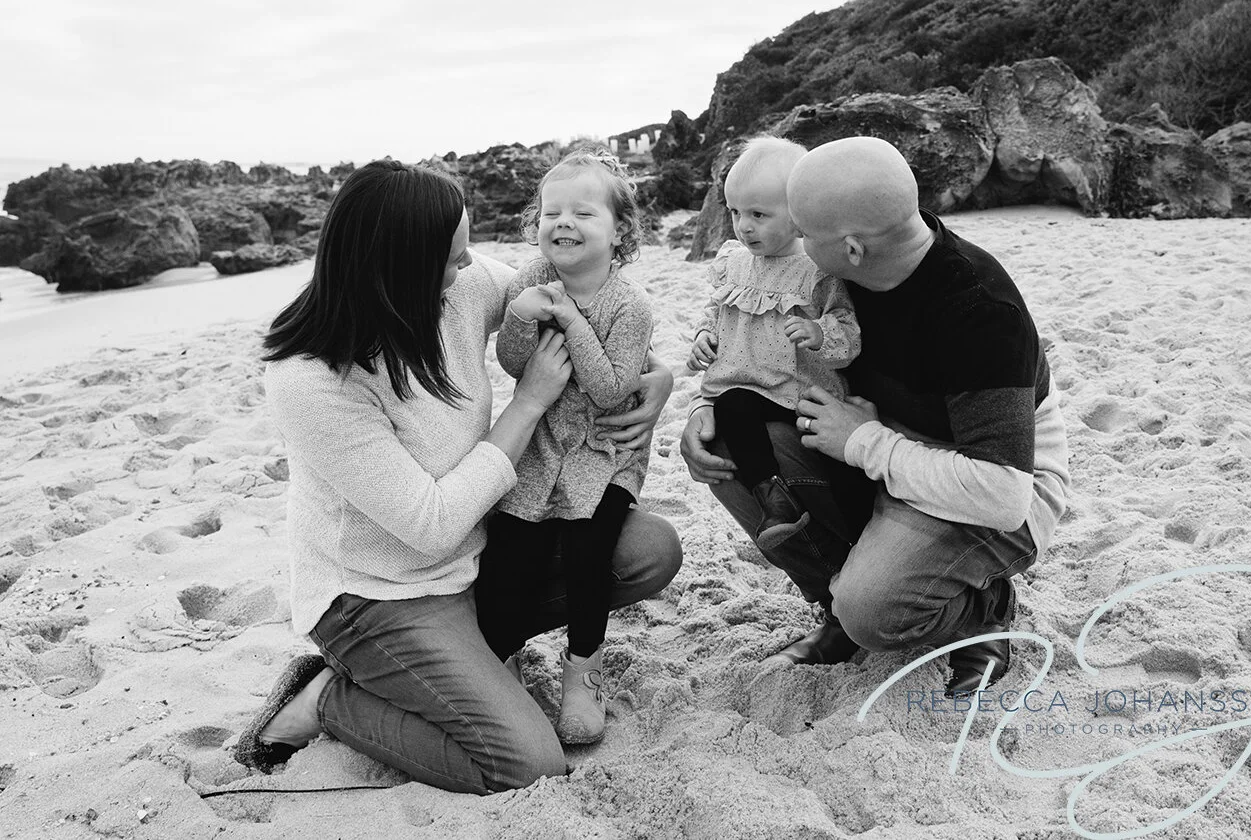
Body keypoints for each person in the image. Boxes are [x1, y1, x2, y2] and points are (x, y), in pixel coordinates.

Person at [233, 159, 681, 793]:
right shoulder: (312, 378)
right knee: (527, 764)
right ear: (401, 268)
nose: (470, 268)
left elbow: (584, 310)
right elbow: (430, 526)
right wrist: (527, 404)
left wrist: (655, 378)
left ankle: (479, 654)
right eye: (454, 257)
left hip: (481, 554)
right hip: (385, 590)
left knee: (647, 551)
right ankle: (325, 699)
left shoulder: (458, 287)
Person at [681, 136, 1069, 696]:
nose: (797, 246)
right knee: (728, 444)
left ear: (853, 248)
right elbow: (754, 361)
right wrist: (702, 407)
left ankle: (984, 607)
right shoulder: (854, 271)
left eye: (806, 234)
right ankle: (832, 604)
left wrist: (865, 439)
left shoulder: (980, 313)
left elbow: (1003, 495)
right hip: (883, 452)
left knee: (874, 612)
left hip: (992, 490)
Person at [474, 148, 653, 746]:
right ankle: (505, 660)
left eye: (583, 212)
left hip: (602, 453)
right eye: (552, 212)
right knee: (510, 554)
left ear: (619, 230)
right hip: (540, 445)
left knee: (587, 553)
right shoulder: (530, 281)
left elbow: (608, 391)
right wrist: (523, 320)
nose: (563, 223)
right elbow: (513, 364)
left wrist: (570, 320)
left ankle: (582, 671)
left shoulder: (631, 305)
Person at [685, 137, 860, 547]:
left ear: (798, 214)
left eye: (759, 214)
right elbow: (715, 309)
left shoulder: (816, 269)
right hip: (751, 385)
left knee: (838, 465)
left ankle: (855, 533)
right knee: (732, 406)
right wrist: (704, 336)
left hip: (801, 390)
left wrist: (820, 333)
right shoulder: (733, 261)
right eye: (735, 212)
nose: (744, 226)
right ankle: (772, 497)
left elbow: (847, 326)